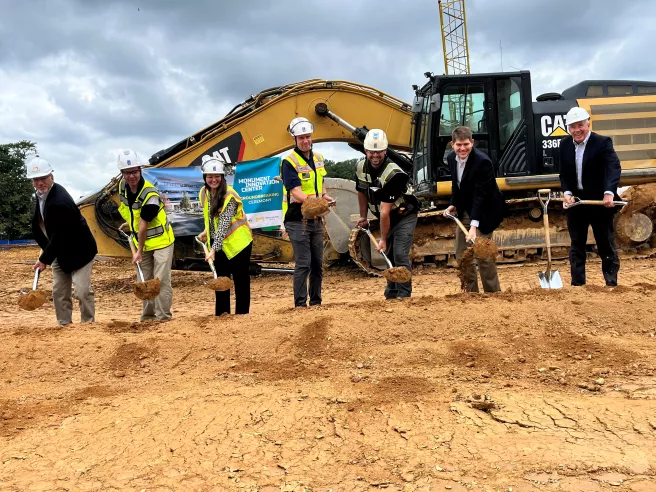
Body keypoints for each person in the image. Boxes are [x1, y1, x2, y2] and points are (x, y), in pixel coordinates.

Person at [27, 156, 97, 326]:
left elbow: (60, 234)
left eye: (43, 178)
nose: (40, 182)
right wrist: (45, 252)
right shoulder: (41, 195)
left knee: (81, 290)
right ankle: (64, 324)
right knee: (59, 291)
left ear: (52, 176)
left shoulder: (60, 201)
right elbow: (39, 225)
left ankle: (88, 324)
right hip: (60, 250)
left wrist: (45, 259)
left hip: (80, 250)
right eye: (36, 179)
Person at [559, 106, 621, 286]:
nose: (577, 130)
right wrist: (567, 193)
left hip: (599, 202)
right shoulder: (564, 145)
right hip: (576, 203)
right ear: (568, 128)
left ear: (588, 124)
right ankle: (578, 284)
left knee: (605, 243)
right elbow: (564, 173)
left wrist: (609, 192)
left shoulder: (602, 143)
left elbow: (613, 167)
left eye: (580, 125)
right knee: (577, 245)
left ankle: (611, 282)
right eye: (572, 127)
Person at [355, 129, 420, 299]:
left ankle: (404, 293)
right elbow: (361, 191)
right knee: (389, 254)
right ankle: (392, 291)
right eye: (371, 151)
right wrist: (363, 217)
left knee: (399, 253)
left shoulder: (394, 174)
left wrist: (382, 239)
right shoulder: (360, 166)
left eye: (379, 152)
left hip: (404, 214)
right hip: (387, 215)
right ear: (365, 151)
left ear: (385, 151)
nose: (375, 155)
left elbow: (384, 212)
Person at [281, 117, 334, 308]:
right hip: (297, 219)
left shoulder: (318, 158)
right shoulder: (289, 162)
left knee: (317, 263)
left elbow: (321, 183)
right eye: (302, 138)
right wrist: (315, 202)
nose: (306, 141)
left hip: (316, 218)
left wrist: (325, 197)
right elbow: (295, 190)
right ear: (295, 139)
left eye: (308, 137)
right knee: (304, 262)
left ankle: (317, 301)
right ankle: (300, 304)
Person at [116, 150, 175, 320]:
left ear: (140, 170)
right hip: (141, 240)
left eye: (134, 171)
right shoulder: (122, 187)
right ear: (122, 174)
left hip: (162, 241)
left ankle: (163, 317)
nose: (131, 176)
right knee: (144, 279)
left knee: (160, 280)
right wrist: (130, 225)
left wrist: (138, 251)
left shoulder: (150, 195)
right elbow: (131, 212)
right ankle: (148, 317)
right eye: (127, 173)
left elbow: (143, 225)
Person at [445, 126, 504, 293]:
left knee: (483, 254)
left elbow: (481, 195)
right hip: (466, 208)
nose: (462, 148)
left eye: (466, 144)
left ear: (472, 143)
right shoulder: (451, 159)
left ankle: (493, 293)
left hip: (486, 211)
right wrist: (453, 204)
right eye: (459, 145)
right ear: (452, 145)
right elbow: (456, 186)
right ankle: (471, 293)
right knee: (462, 255)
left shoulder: (482, 162)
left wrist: (473, 227)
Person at [197, 155, 253, 315]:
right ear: (205, 177)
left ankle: (242, 316)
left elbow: (224, 224)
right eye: (210, 176)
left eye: (216, 176)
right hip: (218, 243)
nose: (213, 180)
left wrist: (213, 249)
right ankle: (222, 315)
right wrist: (206, 233)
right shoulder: (204, 193)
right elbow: (210, 218)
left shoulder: (230, 195)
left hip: (239, 244)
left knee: (240, 279)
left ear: (222, 177)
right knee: (221, 279)